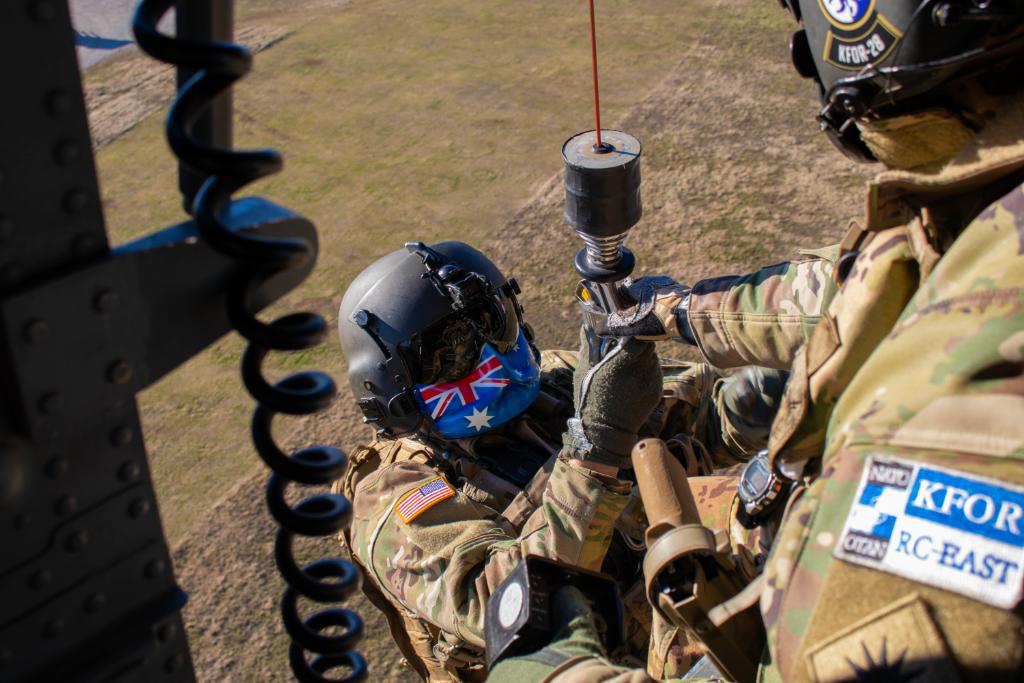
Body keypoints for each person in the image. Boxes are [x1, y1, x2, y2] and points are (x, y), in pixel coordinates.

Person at [489, 0, 1024, 680]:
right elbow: (854, 287)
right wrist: (675, 312)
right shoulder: (979, 223)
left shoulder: (935, 453)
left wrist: (550, 667)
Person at [333, 241, 785, 681]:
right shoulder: (391, 494)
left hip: (674, 615)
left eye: (494, 321)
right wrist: (594, 452)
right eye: (450, 353)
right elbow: (497, 604)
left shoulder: (556, 378)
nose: (491, 354)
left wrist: (773, 394)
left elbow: (696, 419)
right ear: (388, 387)